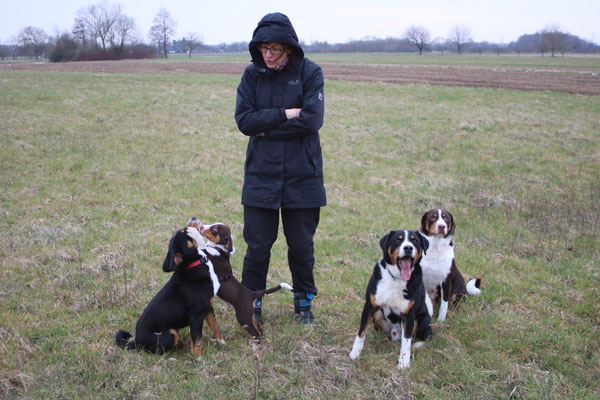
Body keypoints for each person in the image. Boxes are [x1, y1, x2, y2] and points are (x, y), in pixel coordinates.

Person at [235, 12, 326, 326]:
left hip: (304, 175)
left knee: (302, 247)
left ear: (289, 48)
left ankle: (303, 305)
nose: (268, 55)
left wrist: (267, 126)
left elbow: (312, 120)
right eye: (263, 48)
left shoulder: (311, 73)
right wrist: (287, 113)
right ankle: (251, 307)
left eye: (275, 49)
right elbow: (244, 121)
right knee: (257, 245)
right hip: (261, 176)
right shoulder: (251, 76)